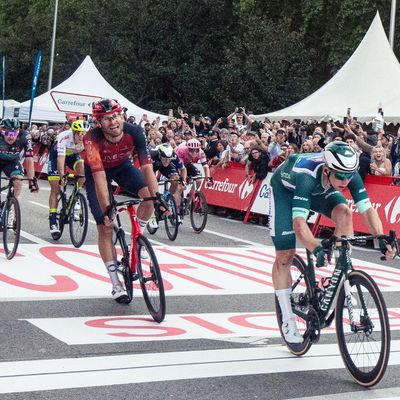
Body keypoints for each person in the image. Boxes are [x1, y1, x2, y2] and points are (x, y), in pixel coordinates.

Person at [269, 142, 395, 343]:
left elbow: (367, 209)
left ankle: (339, 278)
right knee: (285, 255)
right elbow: (299, 223)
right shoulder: (306, 176)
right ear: (327, 170)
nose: (346, 181)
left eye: (349, 175)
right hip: (286, 191)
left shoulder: (346, 174)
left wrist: (381, 238)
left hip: (322, 188)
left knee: (345, 213)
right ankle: (286, 318)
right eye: (341, 176)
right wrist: (316, 248)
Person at [83, 98, 169, 303]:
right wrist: (107, 209)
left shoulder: (135, 132)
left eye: (115, 116)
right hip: (98, 173)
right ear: (98, 123)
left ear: (121, 116)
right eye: (105, 119)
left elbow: (147, 167)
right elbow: (100, 177)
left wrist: (158, 198)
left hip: (123, 167)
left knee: (148, 196)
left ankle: (137, 238)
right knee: (105, 225)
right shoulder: (91, 139)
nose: (112, 122)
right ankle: (115, 284)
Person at [47, 119, 90, 235]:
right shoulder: (64, 137)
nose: (82, 137)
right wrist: (62, 175)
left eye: (84, 133)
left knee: (83, 172)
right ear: (74, 132)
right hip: (56, 156)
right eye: (80, 133)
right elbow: (60, 159)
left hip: (72, 156)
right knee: (55, 189)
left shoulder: (87, 140)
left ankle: (75, 198)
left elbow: (91, 157)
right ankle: (52, 220)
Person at [0, 118, 39, 196]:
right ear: (2, 131)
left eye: (14, 134)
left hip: (12, 162)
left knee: (18, 180)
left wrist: (31, 180)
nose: (11, 137)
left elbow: (29, 158)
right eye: (7, 133)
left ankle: (11, 205)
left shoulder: (25, 135)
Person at [150, 143, 187, 221]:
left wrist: (183, 181)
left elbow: (183, 169)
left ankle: (167, 199)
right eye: (164, 159)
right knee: (150, 182)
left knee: (176, 179)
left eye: (169, 159)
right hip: (153, 165)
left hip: (165, 167)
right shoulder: (152, 155)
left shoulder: (174, 155)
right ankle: (155, 206)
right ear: (160, 155)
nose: (166, 161)